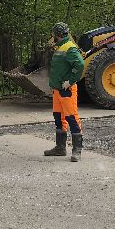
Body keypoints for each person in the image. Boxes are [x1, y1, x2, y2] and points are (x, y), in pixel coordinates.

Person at [44, 22, 85, 162]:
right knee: (58, 118)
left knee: (72, 118)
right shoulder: (61, 46)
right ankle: (60, 148)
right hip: (58, 90)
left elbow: (79, 64)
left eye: (54, 34)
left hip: (67, 90)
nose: (52, 36)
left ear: (58, 35)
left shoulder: (70, 48)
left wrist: (71, 81)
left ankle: (77, 150)